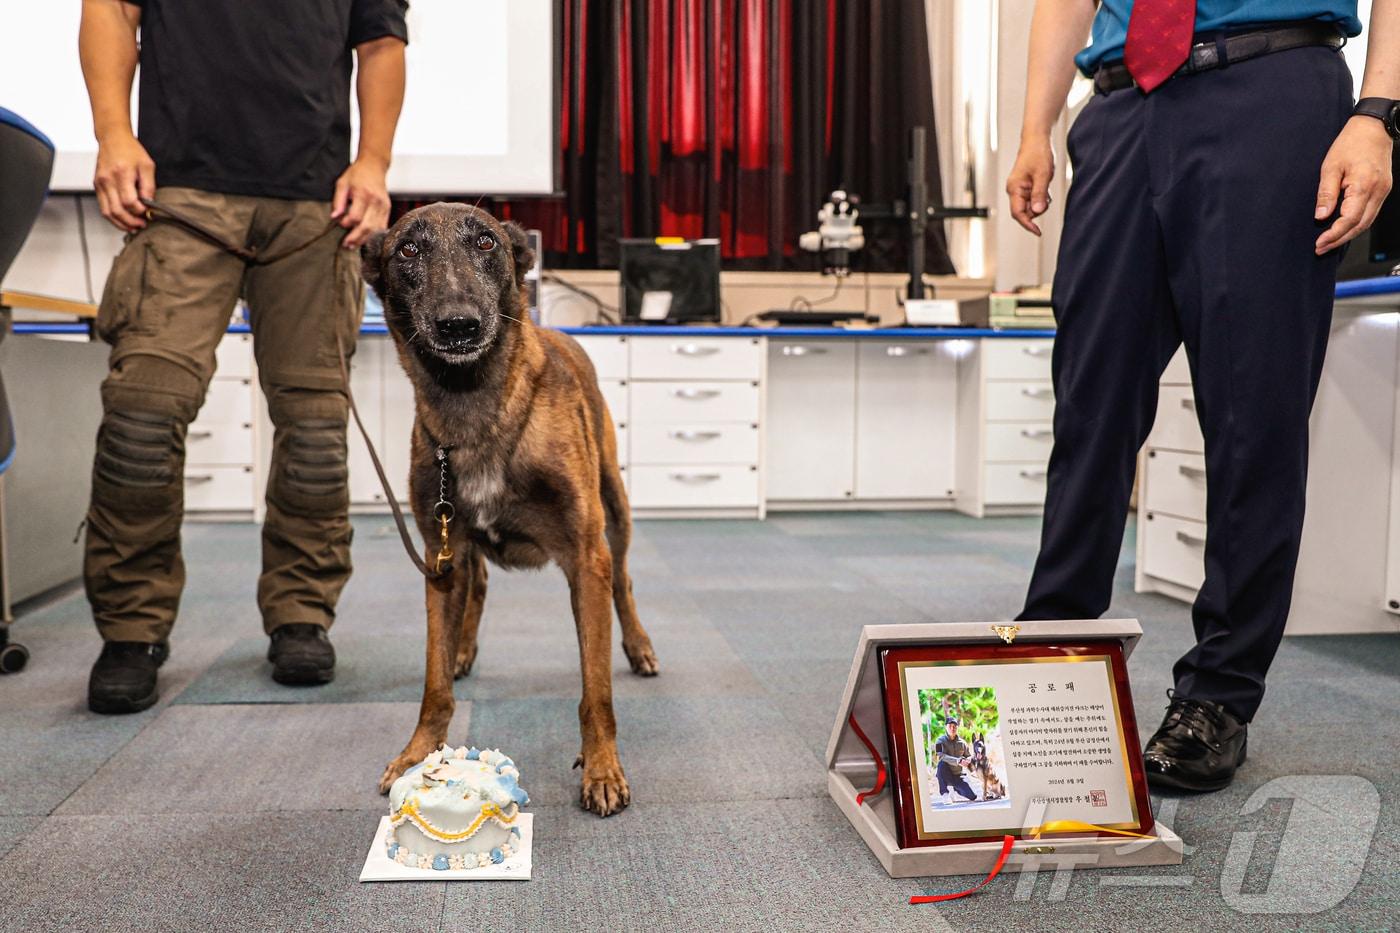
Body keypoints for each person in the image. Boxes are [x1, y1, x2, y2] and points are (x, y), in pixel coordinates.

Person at [1007, 0, 1397, 791]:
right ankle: (1056, 654)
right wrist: (1033, 129)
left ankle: (1217, 696)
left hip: (1269, 86)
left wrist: (1380, 113)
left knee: (1254, 415)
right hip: (1119, 109)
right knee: (1090, 406)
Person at [78, 0, 408, 713]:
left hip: (314, 209)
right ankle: (132, 630)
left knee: (316, 431)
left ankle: (302, 614)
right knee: (141, 418)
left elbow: (380, 44)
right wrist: (113, 135)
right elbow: (108, 7)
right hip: (184, 195)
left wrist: (374, 161)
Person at [933, 718, 977, 804]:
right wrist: (958, 761)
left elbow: (968, 756)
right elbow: (940, 756)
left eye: (954, 726)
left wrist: (969, 760)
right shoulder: (939, 741)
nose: (952, 728)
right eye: (950, 726)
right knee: (941, 764)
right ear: (946, 727)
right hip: (945, 774)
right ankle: (945, 793)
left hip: (958, 776)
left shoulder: (963, 743)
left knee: (973, 796)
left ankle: (954, 788)